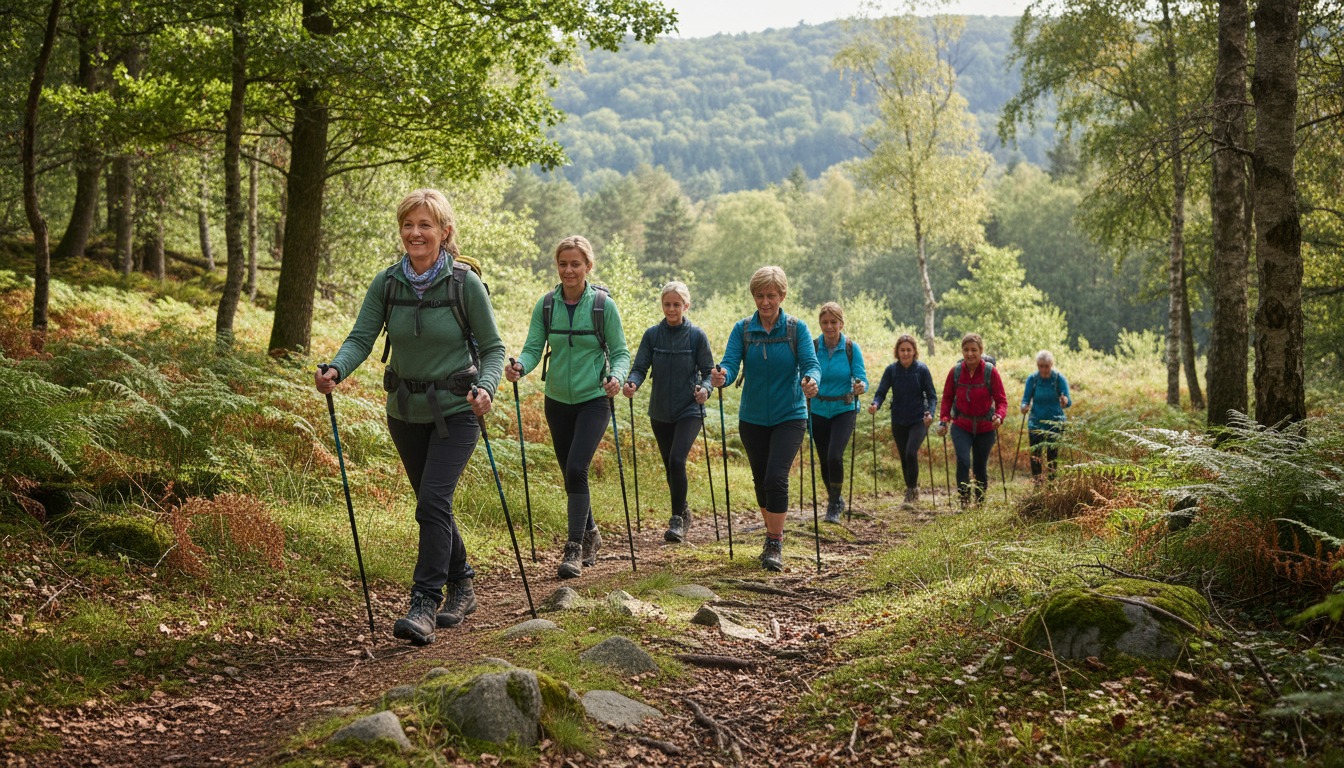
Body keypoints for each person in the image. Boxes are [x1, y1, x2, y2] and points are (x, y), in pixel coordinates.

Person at [316, 189, 504, 646]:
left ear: (445, 232)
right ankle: (463, 582)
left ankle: (424, 601)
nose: (415, 233)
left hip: (457, 411)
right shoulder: (387, 283)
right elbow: (361, 337)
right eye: (408, 225)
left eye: (425, 225)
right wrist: (337, 368)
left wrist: (487, 387)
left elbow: (494, 349)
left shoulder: (464, 284)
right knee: (431, 501)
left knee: (431, 503)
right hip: (404, 410)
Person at [506, 236, 630, 579]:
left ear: (588, 267)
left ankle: (574, 547)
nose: (569, 270)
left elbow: (620, 352)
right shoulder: (546, 305)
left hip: (594, 398)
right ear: (557, 266)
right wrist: (520, 367)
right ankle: (591, 532)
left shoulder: (603, 306)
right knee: (569, 473)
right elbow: (533, 348)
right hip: (557, 400)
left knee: (577, 467)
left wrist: (616, 377)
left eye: (576, 264)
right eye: (563, 264)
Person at [710, 266, 821, 571]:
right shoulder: (743, 329)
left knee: (776, 476)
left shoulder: (797, 329)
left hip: (791, 414)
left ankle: (774, 541)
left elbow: (812, 364)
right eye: (759, 295)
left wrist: (811, 379)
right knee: (761, 480)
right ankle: (772, 533)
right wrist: (722, 376)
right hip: (753, 417)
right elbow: (730, 364)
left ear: (782, 295)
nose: (765, 301)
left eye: (771, 295)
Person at [623, 282, 714, 543]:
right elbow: (639, 367)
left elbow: (708, 372)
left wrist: (705, 389)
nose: (671, 309)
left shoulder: (697, 336)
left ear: (686, 306)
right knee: (669, 465)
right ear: (662, 305)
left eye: (676, 304)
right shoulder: (652, 335)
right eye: (667, 304)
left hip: (689, 409)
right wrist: (632, 383)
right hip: (660, 410)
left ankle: (676, 520)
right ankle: (684, 510)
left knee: (677, 460)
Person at [810, 302, 868, 523]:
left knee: (835, 456)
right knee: (824, 459)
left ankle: (834, 504)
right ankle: (836, 498)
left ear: (841, 323)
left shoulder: (852, 348)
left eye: (834, 322)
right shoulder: (813, 347)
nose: (829, 326)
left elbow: (860, 376)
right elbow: (804, 372)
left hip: (845, 408)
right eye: (825, 322)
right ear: (820, 323)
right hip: (817, 409)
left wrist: (861, 385)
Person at [936, 333, 1007, 507]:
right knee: (963, 461)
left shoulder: (990, 372)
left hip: (986, 427)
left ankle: (980, 501)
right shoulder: (956, 371)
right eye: (966, 350)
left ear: (981, 351)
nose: (969, 354)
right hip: (961, 424)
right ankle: (964, 499)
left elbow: (1001, 400)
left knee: (979, 467)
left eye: (974, 350)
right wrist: (944, 419)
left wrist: (999, 416)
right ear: (962, 351)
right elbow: (947, 397)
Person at [868, 334, 937, 506]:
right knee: (904, 457)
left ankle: (911, 491)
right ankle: (911, 488)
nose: (905, 353)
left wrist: (930, 413)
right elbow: (881, 392)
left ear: (914, 351)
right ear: (897, 352)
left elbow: (932, 395)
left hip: (918, 419)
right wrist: (875, 404)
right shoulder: (892, 370)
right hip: (898, 419)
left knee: (910, 452)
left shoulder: (921, 369)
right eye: (902, 350)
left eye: (909, 350)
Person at [1020, 349, 1072, 481]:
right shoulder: (1032, 379)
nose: (1043, 369)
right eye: (1040, 366)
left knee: (1052, 455)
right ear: (1037, 366)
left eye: (1046, 366)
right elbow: (1026, 398)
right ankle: (1037, 482)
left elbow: (1068, 401)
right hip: (1035, 422)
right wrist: (1024, 407)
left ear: (1051, 365)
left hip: (1055, 423)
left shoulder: (1059, 379)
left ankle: (1051, 483)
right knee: (1035, 454)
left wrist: (1064, 401)